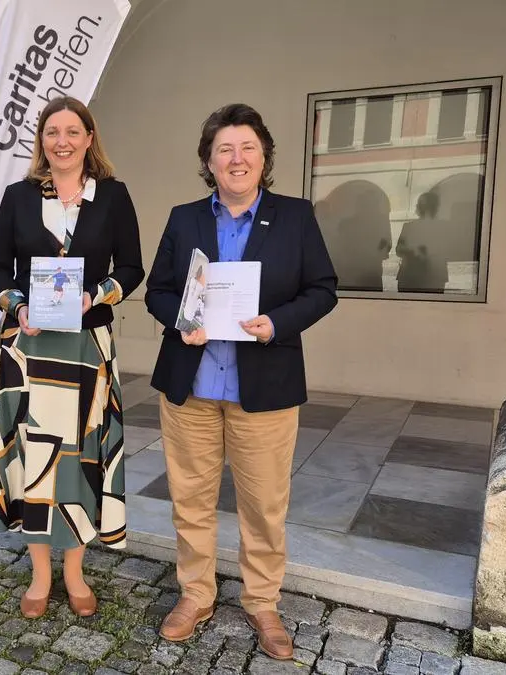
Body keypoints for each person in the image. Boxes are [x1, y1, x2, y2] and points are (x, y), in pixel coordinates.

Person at [145, 104, 338, 656]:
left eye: (247, 148)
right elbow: (159, 289)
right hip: (193, 387)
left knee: (264, 504)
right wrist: (183, 320)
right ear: (208, 159)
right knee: (191, 499)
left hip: (265, 388)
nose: (236, 158)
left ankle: (262, 603)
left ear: (264, 156)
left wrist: (277, 322)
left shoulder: (295, 216)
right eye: (224, 149)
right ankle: (196, 594)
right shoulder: (185, 218)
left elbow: (323, 289)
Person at [0, 96, 144, 619]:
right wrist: (18, 305)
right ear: (42, 141)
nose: (63, 141)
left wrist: (94, 296)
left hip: (86, 346)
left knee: (79, 458)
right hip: (29, 345)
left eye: (73, 131)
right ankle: (39, 574)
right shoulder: (18, 197)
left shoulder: (113, 198)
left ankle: (74, 572)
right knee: (36, 456)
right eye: (53, 132)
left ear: (89, 139)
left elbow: (133, 269)